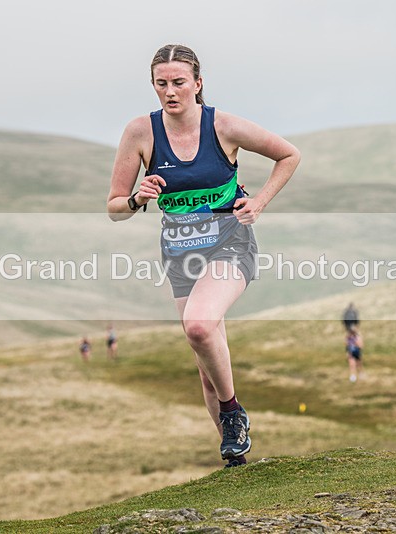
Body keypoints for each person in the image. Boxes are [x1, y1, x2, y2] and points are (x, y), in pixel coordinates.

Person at [107, 44, 300, 468]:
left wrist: (260, 202)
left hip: (230, 243)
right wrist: (138, 198)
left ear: (198, 83)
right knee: (207, 368)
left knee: (198, 326)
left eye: (179, 82)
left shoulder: (223, 126)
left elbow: (289, 154)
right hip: (180, 256)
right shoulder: (141, 132)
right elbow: (114, 207)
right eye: (162, 84)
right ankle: (236, 464)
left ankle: (234, 413)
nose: (170, 92)